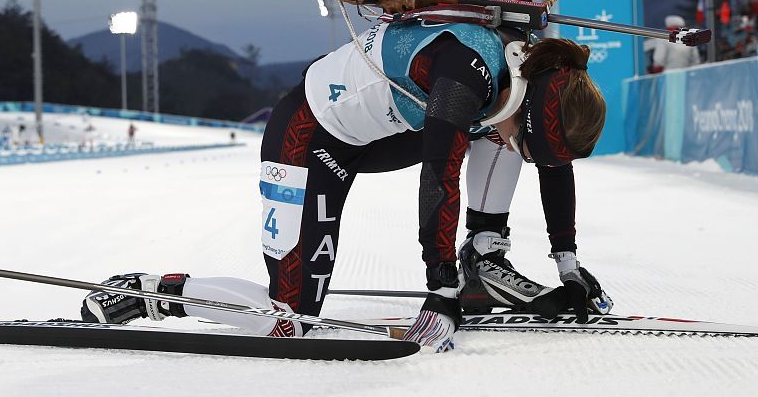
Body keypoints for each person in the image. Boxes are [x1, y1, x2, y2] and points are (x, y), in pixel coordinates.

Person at [81, 19, 611, 352]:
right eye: (526, 144)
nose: (522, 151)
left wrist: (569, 263)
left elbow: (551, 162)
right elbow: (438, 178)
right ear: (534, 110)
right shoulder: (466, 72)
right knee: (287, 322)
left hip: (381, 136)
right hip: (309, 137)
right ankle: (152, 293)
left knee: (492, 134)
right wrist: (440, 289)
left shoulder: (540, 79)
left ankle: (484, 255)